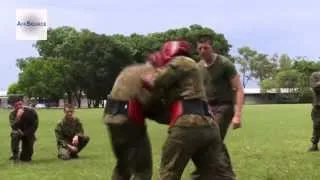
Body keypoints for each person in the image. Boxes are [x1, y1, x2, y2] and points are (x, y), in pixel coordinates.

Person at [142, 40, 235, 180]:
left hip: (188, 123)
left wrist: (150, 68)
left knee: (169, 172)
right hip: (209, 125)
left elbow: (152, 82)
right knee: (218, 174)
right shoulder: (191, 69)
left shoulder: (181, 61)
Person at [104, 57, 167, 180]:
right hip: (130, 122)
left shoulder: (129, 70)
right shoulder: (151, 74)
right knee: (142, 170)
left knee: (123, 166)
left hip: (111, 120)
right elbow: (151, 105)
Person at [194, 35, 244, 178]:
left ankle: (205, 173)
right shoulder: (198, 67)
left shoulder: (224, 64)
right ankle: (226, 172)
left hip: (224, 106)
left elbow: (239, 89)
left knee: (212, 137)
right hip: (206, 108)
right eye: (200, 48)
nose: (203, 51)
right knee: (211, 140)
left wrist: (237, 115)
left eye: (206, 48)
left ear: (212, 48)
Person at [308, 71, 320, 151]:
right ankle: (314, 145)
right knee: (317, 126)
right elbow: (315, 87)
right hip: (318, 106)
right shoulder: (315, 75)